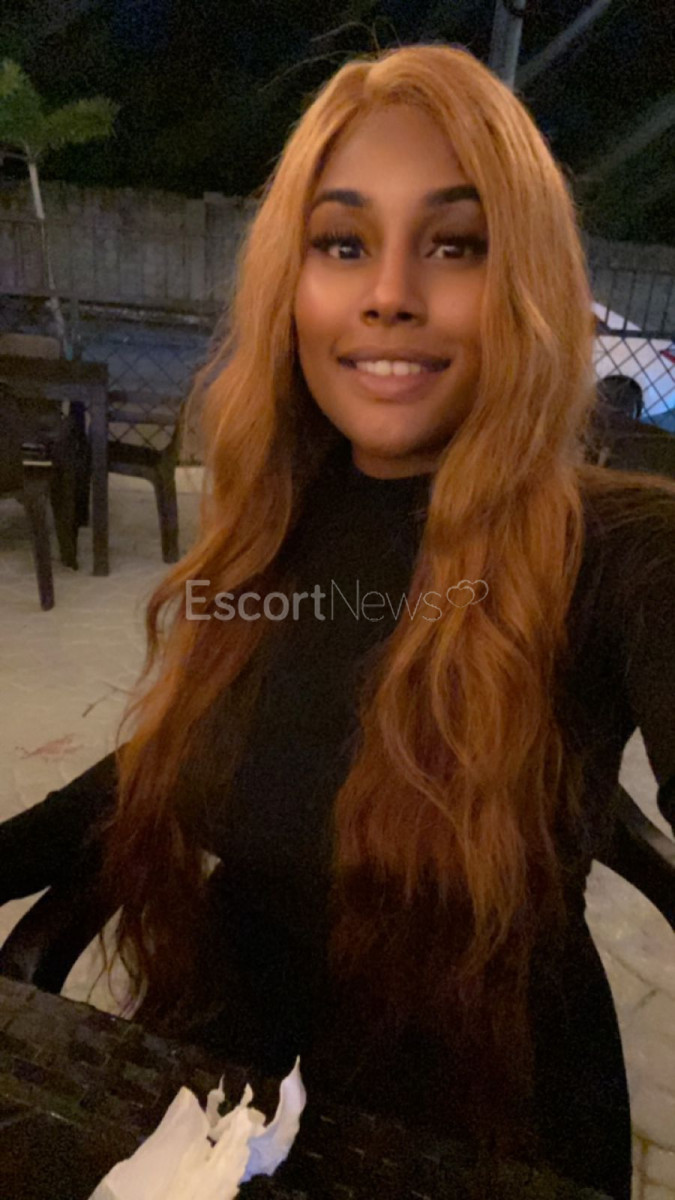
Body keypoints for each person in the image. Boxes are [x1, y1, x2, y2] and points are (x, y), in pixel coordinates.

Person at [2, 43, 675, 1200]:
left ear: (528, 285)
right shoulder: (275, 521)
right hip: (216, 1093)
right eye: (344, 243)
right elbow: (176, 761)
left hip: (487, 1119)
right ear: (293, 286)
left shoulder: (623, 551)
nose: (389, 292)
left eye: (456, 244)